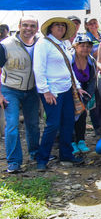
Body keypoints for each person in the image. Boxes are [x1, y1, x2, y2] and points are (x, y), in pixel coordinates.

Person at [33, 17, 85, 170]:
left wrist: (78, 86)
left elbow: (68, 67)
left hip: (67, 88)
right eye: (57, 25)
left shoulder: (64, 44)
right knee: (53, 124)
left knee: (68, 122)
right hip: (52, 91)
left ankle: (66, 154)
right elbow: (39, 68)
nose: (61, 28)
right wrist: (45, 90)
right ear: (50, 28)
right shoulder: (43, 44)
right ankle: (42, 159)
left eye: (63, 26)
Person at [0, 17, 40, 173]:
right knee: (12, 125)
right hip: (10, 89)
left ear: (37, 28)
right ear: (19, 26)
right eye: (25, 25)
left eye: (32, 26)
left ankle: (35, 154)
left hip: (32, 90)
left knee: (33, 125)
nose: (28, 28)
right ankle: (14, 161)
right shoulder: (6, 45)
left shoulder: (39, 44)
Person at [71, 35, 97, 155]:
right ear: (76, 46)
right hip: (70, 90)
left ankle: (81, 140)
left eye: (88, 46)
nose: (85, 48)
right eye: (82, 45)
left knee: (82, 115)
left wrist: (88, 96)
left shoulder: (91, 60)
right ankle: (71, 142)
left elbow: (92, 79)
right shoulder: (69, 59)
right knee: (69, 117)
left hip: (85, 92)